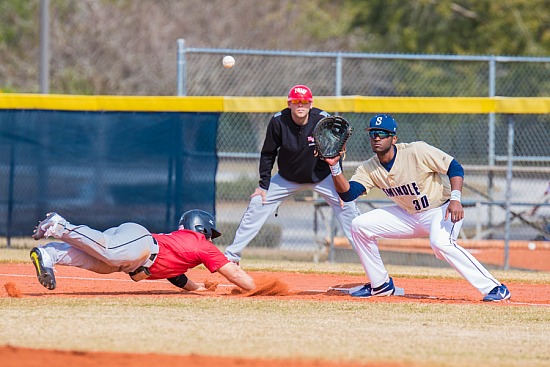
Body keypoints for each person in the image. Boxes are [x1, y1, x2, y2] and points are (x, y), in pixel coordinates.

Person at [324, 113, 511, 302]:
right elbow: (348, 194)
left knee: (440, 244)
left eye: (382, 133)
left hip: (442, 209)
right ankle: (380, 285)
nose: (377, 137)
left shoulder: (416, 151)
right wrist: (335, 168)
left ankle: (495, 287)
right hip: (409, 215)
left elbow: (454, 167)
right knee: (359, 225)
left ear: (394, 138)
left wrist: (456, 198)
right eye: (373, 134)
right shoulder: (368, 168)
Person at [224, 85, 360, 264]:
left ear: (311, 104)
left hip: (322, 176)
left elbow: (335, 152)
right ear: (289, 104)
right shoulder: (278, 121)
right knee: (258, 202)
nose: (300, 104)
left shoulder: (322, 119)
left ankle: (370, 260)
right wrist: (263, 186)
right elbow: (268, 153)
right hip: (287, 178)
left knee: (348, 206)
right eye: (296, 101)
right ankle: (231, 257)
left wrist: (340, 187)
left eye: (305, 101)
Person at [29, 209, 256, 292]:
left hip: (134, 258)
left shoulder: (182, 249)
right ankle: (60, 225)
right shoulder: (200, 244)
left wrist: (199, 289)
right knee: (110, 252)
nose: (210, 238)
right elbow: (234, 273)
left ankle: (50, 254)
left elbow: (176, 277)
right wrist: (257, 289)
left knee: (95, 261)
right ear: (202, 228)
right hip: (142, 244)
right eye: (209, 233)